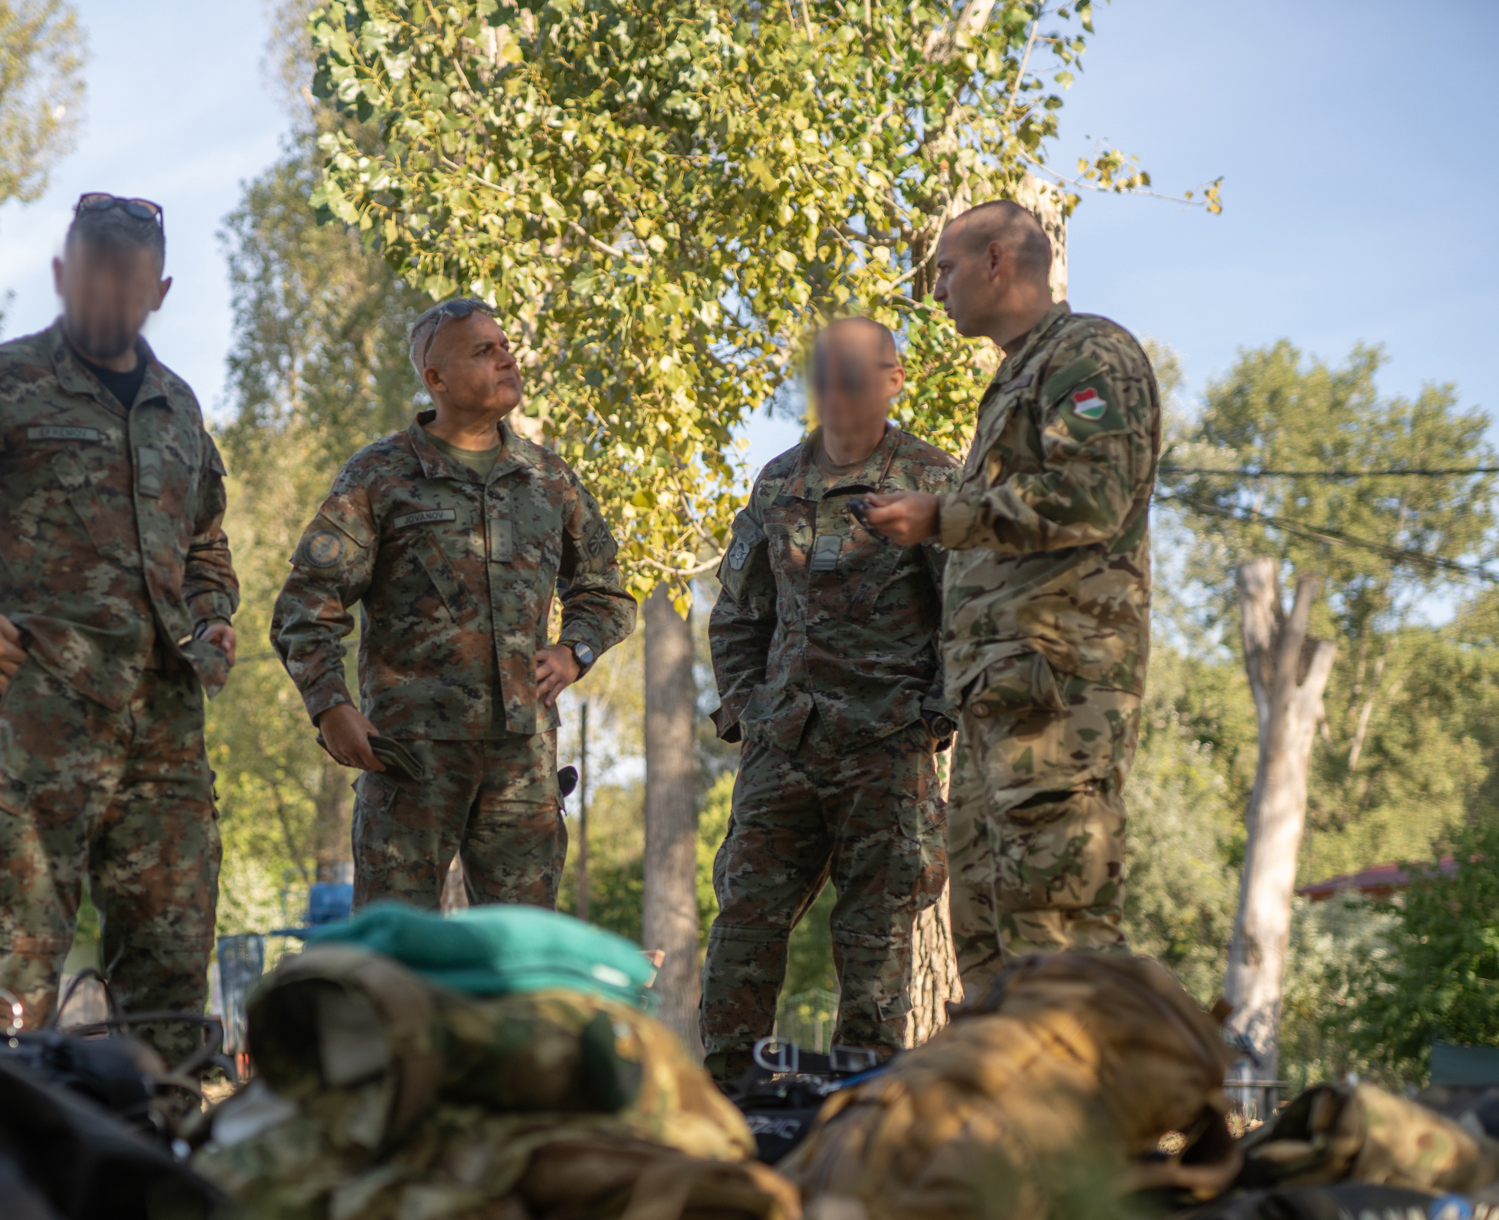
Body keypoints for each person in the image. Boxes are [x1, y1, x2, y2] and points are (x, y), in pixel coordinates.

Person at [0, 193, 238, 1065]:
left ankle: (158, 1136)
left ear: (160, 291)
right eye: (94, 276)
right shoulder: (4, 382)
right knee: (18, 975)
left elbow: (207, 541)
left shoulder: (178, 408)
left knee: (172, 975)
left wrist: (213, 618)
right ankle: (1, 1138)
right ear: (63, 275)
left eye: (129, 281)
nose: (109, 296)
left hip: (167, 736)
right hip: (42, 720)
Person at [862, 199, 1160, 996]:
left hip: (1059, 698)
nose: (937, 290)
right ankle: (1014, 1078)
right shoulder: (1016, 377)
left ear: (997, 259)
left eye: (946, 269)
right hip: (998, 700)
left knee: (1059, 932)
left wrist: (942, 516)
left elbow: (1093, 496)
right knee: (990, 945)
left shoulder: (1089, 354)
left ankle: (1135, 1076)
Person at [271, 297, 636, 910]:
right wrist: (329, 706)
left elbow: (606, 591)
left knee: (521, 951)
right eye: (484, 351)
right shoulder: (379, 475)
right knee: (394, 949)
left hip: (522, 766)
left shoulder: (548, 479)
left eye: (505, 347)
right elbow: (306, 606)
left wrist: (575, 650)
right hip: (411, 762)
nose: (506, 359)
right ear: (436, 378)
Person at [698, 318, 958, 1084]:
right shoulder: (778, 481)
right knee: (744, 920)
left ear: (893, 380)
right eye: (823, 372)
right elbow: (739, 612)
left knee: (875, 939)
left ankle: (860, 1098)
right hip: (784, 747)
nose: (834, 388)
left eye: (853, 372)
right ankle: (729, 1092)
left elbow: (969, 611)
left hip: (886, 751)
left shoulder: (931, 481)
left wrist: (933, 715)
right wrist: (747, 710)